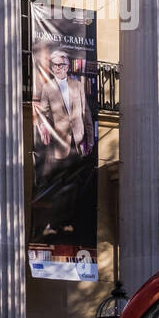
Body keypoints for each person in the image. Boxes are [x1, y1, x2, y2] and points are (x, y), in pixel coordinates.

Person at [34, 49, 95, 236]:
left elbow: (86, 113)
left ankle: (69, 222)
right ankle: (51, 222)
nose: (59, 68)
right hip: (59, 143)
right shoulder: (48, 88)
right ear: (52, 68)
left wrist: (90, 139)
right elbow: (41, 112)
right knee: (56, 185)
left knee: (76, 186)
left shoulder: (77, 86)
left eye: (62, 65)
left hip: (77, 142)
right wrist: (43, 127)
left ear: (68, 67)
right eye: (55, 65)